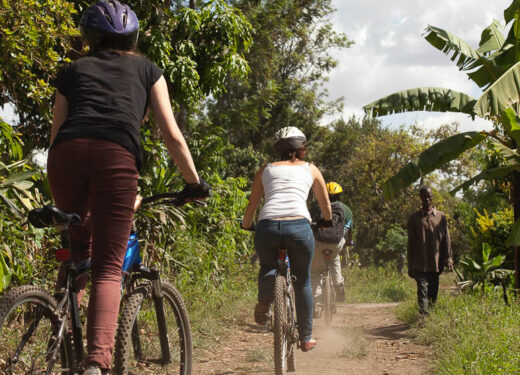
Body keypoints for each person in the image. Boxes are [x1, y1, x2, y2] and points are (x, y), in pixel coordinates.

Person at [47, 2, 210, 374]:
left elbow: (55, 137)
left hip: (64, 158)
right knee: (107, 267)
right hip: (115, 157)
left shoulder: (71, 71)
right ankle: (96, 364)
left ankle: (56, 331)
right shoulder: (147, 69)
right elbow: (170, 133)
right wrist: (193, 183)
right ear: (133, 38)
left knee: (77, 250)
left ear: (91, 38)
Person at [241, 126, 332, 352]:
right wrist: (326, 221)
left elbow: (253, 204)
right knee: (303, 280)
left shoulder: (266, 169)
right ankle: (306, 337)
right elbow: (325, 205)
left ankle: (264, 301)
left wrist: (246, 225)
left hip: (268, 227)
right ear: (301, 149)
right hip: (299, 228)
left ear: (278, 148)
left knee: (268, 267)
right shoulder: (311, 169)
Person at [406, 186, 453, 315]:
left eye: (429, 196)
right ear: (420, 198)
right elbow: (411, 244)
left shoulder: (441, 217)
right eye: (424, 196)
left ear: (432, 197)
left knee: (433, 293)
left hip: (435, 263)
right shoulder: (414, 219)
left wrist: (448, 258)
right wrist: (410, 265)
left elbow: (446, 239)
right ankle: (424, 319)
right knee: (422, 291)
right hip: (419, 263)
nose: (427, 199)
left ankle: (430, 318)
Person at [311, 182, 351, 304]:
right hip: (336, 243)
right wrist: (348, 243)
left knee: (315, 272)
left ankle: (316, 303)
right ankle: (339, 286)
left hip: (319, 242)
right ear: (339, 196)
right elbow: (349, 231)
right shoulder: (346, 210)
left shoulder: (315, 207)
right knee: (334, 259)